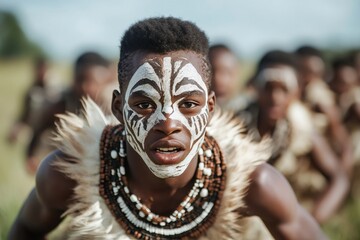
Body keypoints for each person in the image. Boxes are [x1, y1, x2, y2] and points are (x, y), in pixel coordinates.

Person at [9, 17, 326, 240]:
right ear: (119, 108)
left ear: (211, 108)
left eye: (189, 104)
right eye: (145, 104)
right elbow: (25, 230)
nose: (168, 122)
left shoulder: (256, 184)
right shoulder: (66, 174)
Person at [238, 50, 350, 224]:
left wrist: (311, 221)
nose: (275, 97)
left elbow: (339, 178)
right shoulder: (238, 123)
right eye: (269, 87)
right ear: (256, 88)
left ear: (296, 92)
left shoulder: (302, 130)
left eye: (284, 89)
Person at [24, 51, 113, 174]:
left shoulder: (113, 106)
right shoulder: (61, 105)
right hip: (65, 171)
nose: (86, 87)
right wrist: (31, 155)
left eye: (93, 81)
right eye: (80, 80)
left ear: (105, 81)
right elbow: (39, 127)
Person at [295, 46, 353, 176]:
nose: (309, 79)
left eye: (316, 74)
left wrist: (341, 178)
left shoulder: (319, 98)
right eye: (305, 72)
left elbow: (343, 142)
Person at [7, 57, 60, 173]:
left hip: (55, 141)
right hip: (37, 140)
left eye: (44, 69)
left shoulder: (58, 93)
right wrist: (16, 128)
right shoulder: (31, 92)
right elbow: (25, 115)